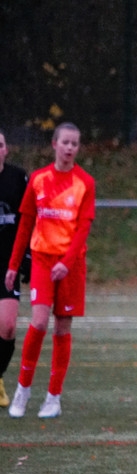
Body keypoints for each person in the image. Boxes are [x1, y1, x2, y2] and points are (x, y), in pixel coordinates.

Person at [5, 122, 95, 419]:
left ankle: (53, 397)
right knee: (39, 322)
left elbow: (83, 229)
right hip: (43, 261)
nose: (70, 148)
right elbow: (24, 226)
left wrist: (66, 263)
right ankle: (22, 391)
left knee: (61, 328)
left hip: (70, 265)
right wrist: (13, 266)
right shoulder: (39, 180)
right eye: (65, 142)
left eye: (75, 144)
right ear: (54, 144)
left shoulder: (85, 183)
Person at [0, 129, 29, 408]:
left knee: (7, 327)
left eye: (0, 145)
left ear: (6, 149)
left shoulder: (18, 178)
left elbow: (28, 220)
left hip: (7, 265)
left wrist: (27, 260)